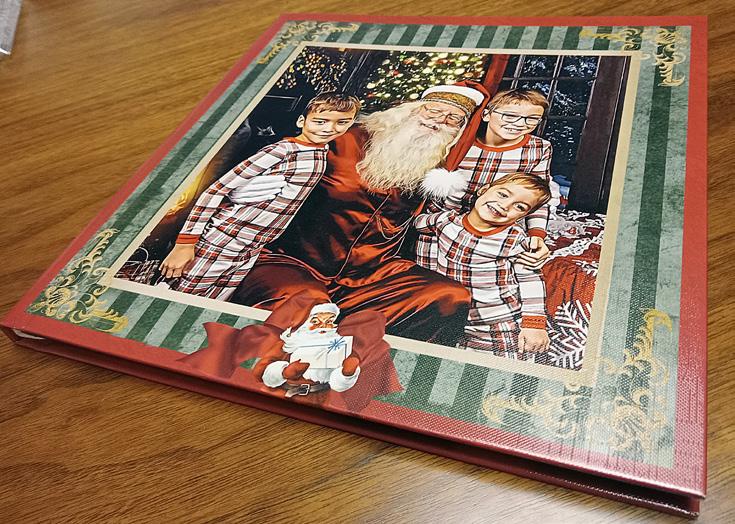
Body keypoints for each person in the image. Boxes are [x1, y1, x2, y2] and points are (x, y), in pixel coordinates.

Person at [230, 84, 487, 346]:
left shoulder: (433, 169)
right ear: (410, 110)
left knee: (449, 296)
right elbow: (280, 153)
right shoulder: (345, 137)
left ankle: (362, 358)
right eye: (434, 111)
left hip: (370, 277)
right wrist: (249, 187)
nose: (439, 121)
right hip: (291, 263)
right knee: (309, 306)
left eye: (453, 119)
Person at [159, 92, 361, 300]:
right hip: (225, 237)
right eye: (320, 121)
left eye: (341, 122)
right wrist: (185, 244)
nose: (329, 128)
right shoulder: (282, 151)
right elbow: (217, 190)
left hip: (252, 247)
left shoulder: (321, 151)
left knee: (214, 300)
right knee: (181, 295)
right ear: (302, 121)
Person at [416, 88, 555, 272]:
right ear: (487, 115)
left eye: (532, 119)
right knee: (433, 278)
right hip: (443, 226)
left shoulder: (538, 148)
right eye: (509, 115)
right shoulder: (458, 141)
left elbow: (538, 197)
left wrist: (536, 234)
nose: (520, 124)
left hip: (494, 230)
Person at [414, 173, 552, 358]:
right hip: (450, 316)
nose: (505, 205)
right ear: (483, 190)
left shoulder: (515, 240)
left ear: (524, 216)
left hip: (495, 320)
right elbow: (417, 223)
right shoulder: (446, 222)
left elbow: (531, 280)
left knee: (499, 368)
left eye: (519, 206)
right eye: (503, 194)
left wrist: (534, 324)